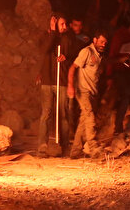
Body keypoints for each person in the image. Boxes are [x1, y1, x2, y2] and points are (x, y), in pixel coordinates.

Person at [36, 15, 75, 155]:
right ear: (55, 24)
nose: (65, 27)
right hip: (47, 81)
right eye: (62, 24)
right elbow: (45, 49)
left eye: (65, 24)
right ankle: (42, 146)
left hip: (62, 80)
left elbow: (73, 54)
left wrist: (66, 56)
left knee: (63, 114)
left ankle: (65, 146)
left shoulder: (68, 38)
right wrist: (53, 32)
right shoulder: (46, 36)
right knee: (46, 113)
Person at [67, 31, 108, 158]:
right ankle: (93, 146)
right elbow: (72, 68)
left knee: (84, 119)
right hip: (82, 90)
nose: (103, 45)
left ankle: (75, 150)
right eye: (101, 42)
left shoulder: (100, 55)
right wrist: (70, 86)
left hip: (91, 92)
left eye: (105, 43)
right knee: (89, 116)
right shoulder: (86, 52)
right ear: (95, 40)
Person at [103, 21, 130, 135]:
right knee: (124, 96)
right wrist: (109, 76)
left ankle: (127, 112)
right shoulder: (119, 35)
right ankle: (118, 126)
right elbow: (111, 56)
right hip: (119, 72)